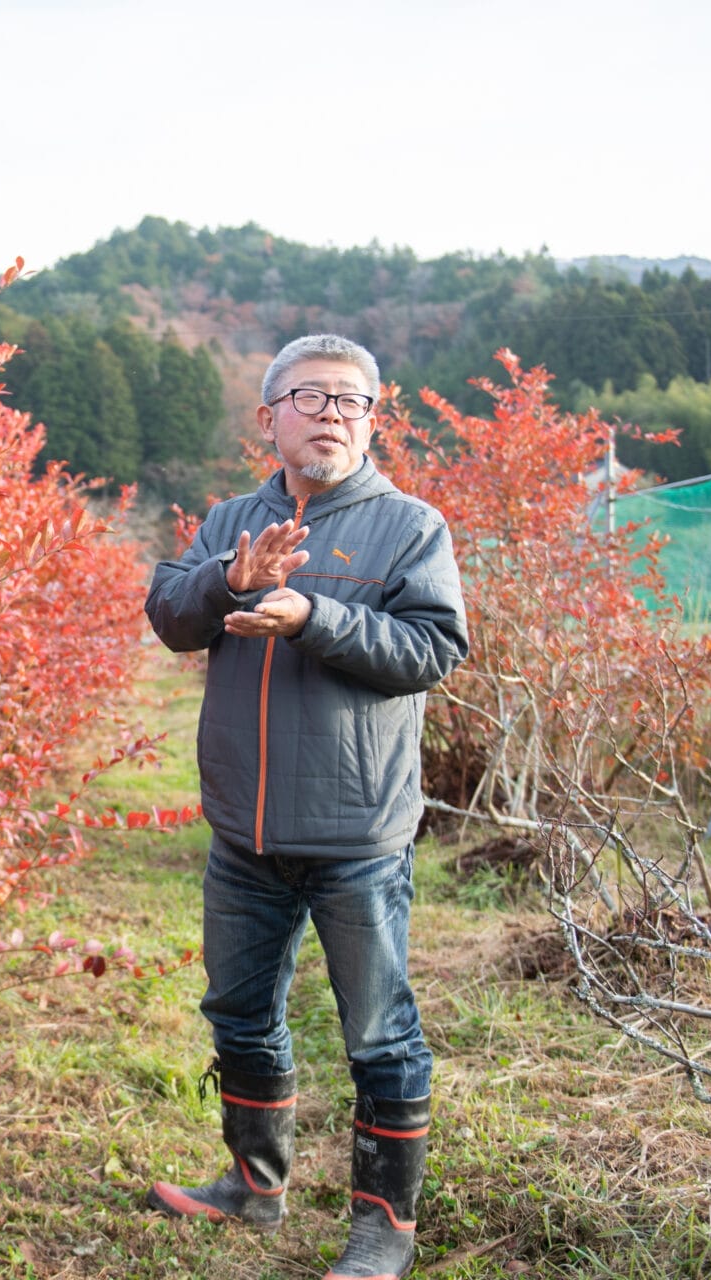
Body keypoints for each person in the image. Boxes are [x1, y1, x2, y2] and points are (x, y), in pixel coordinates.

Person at [142, 334, 469, 1280]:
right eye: (310, 397)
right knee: (239, 1013)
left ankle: (383, 1231)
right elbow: (170, 617)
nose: (331, 414)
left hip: (355, 833)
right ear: (270, 417)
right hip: (243, 831)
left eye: (350, 401)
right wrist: (231, 581)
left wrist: (314, 617)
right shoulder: (231, 520)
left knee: (380, 1035)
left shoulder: (409, 527)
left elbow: (432, 650)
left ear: (373, 419)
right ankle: (254, 1187)